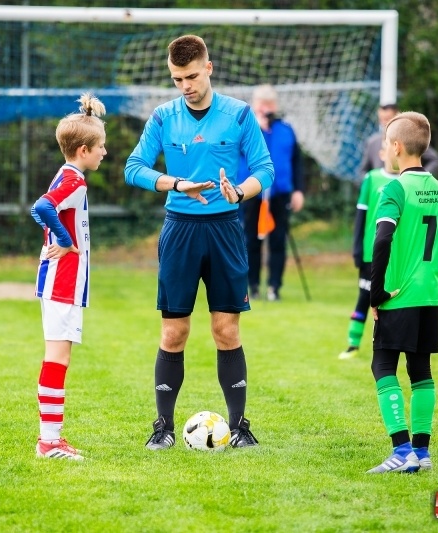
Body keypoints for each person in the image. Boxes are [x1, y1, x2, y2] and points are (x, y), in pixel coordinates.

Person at [125, 35, 274, 450]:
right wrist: (175, 183)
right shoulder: (162, 117)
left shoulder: (239, 114)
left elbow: (265, 170)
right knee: (174, 332)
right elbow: (132, 167)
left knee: (226, 329)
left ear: (208, 68)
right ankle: (164, 429)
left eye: (191, 76)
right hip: (180, 230)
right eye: (177, 79)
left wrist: (240, 191)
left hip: (226, 229)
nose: (185, 85)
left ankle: (240, 427)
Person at [366, 111, 438, 473]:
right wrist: (433, 283)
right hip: (429, 296)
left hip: (398, 294)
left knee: (383, 364)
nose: (385, 149)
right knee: (420, 369)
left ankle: (402, 452)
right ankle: (423, 452)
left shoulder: (394, 189)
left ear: (396, 147)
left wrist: (377, 292)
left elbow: (382, 239)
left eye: (387, 143)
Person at [30, 93, 107, 460]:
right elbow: (41, 206)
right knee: (57, 358)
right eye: (100, 147)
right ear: (82, 149)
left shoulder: (69, 175)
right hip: (62, 281)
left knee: (59, 357)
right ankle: (49, 442)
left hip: (61, 281)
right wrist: (64, 239)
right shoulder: (75, 181)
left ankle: (51, 439)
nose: (104, 153)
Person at [239, 84, 305, 302]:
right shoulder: (245, 128)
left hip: (280, 193)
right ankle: (253, 285)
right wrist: (256, 128)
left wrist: (298, 190)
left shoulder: (286, 130)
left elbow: (296, 162)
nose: (266, 108)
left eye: (269, 103)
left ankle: (274, 287)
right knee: (251, 240)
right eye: (262, 103)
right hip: (251, 192)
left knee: (278, 240)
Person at [338, 148, 398, 360]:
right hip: (370, 252)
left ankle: (387, 347)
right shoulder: (371, 179)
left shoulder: (405, 182)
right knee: (365, 296)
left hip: (396, 254)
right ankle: (353, 343)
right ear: (381, 153)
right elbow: (360, 217)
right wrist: (357, 249)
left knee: (392, 299)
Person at [359, 104, 438, 178]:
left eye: (387, 119)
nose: (384, 123)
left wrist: (419, 177)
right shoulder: (372, 142)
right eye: (381, 119)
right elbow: (363, 171)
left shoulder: (410, 138)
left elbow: (435, 160)